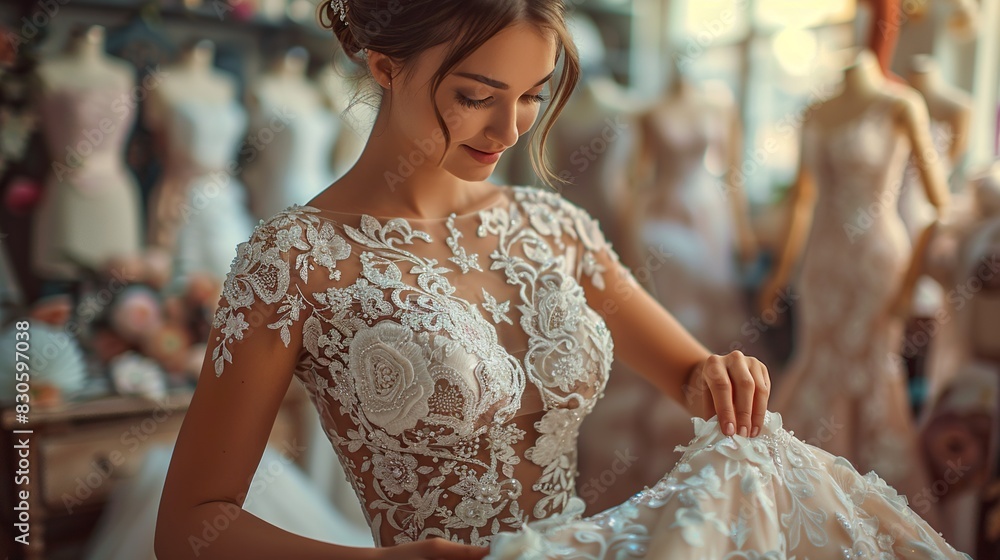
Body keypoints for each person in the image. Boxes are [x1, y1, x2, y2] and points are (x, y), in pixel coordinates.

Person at [154, 2, 970, 559]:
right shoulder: (294, 260)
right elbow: (190, 526)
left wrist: (718, 375)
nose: (508, 130)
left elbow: (689, 374)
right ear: (384, 67)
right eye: (477, 97)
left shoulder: (551, 228)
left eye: (531, 99)